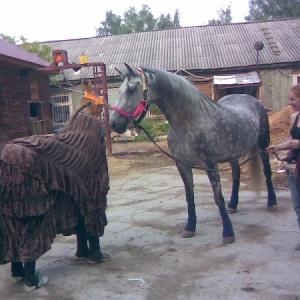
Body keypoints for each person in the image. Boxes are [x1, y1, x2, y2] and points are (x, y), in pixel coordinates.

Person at [1, 91, 111, 292]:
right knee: (34, 218)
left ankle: (18, 269)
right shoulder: (89, 140)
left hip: (11, 157)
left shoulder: (71, 134)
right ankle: (31, 278)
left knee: (15, 218)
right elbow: (94, 196)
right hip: (28, 165)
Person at [266, 84, 300, 250]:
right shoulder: (294, 117)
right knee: (297, 206)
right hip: (295, 167)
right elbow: (291, 142)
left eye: (293, 99)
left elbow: (297, 143)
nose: (290, 103)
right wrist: (278, 147)